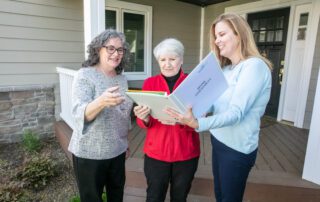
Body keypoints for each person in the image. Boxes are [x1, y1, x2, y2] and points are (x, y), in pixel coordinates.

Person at [165, 13, 272, 202]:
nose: (217, 40)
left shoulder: (254, 66)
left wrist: (197, 123)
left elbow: (236, 113)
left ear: (239, 34)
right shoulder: (227, 69)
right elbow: (215, 102)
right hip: (219, 141)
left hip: (237, 149)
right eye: (216, 36)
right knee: (220, 195)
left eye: (222, 34)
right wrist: (196, 106)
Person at [68, 29, 133, 202]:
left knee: (116, 195)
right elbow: (78, 114)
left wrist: (125, 142)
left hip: (117, 150)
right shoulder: (85, 75)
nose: (116, 53)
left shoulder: (121, 79)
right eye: (110, 48)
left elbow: (124, 114)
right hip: (90, 153)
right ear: (98, 49)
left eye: (120, 50)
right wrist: (102, 101)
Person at [133, 38, 200, 202]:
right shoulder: (150, 83)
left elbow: (201, 120)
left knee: (180, 197)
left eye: (172, 59)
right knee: (154, 196)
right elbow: (143, 123)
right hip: (156, 153)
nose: (167, 64)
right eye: (163, 60)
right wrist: (144, 117)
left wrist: (185, 122)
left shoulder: (192, 83)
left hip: (185, 153)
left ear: (181, 59)